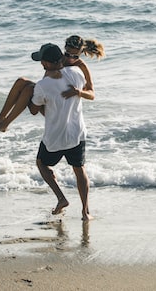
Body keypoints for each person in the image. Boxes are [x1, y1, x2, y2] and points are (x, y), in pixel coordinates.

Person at [28, 43, 94, 221]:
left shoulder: (42, 85)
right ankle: (85, 212)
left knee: (42, 163)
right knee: (79, 170)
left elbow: (34, 110)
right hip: (76, 133)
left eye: (42, 61)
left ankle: (61, 198)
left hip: (55, 137)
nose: (41, 64)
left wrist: (27, 95)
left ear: (47, 64)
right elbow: (89, 91)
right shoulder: (77, 74)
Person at [0, 35, 104, 132]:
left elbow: (92, 94)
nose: (70, 59)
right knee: (21, 82)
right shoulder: (59, 59)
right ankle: (1, 119)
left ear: (81, 53)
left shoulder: (81, 66)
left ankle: (5, 123)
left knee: (28, 89)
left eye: (75, 56)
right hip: (50, 98)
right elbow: (46, 81)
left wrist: (78, 92)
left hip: (59, 109)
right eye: (67, 54)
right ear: (64, 49)